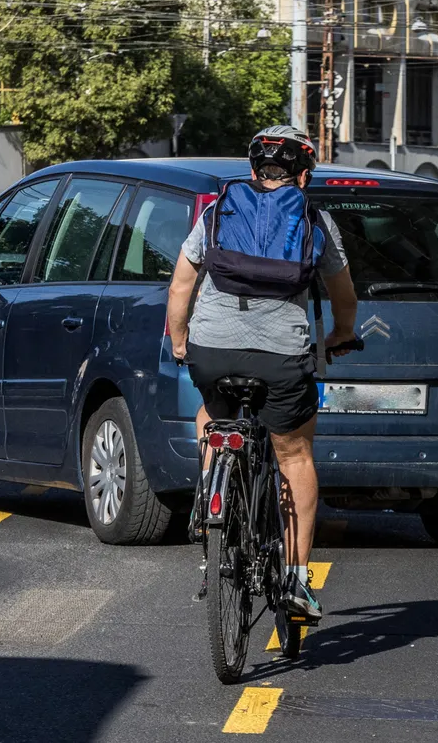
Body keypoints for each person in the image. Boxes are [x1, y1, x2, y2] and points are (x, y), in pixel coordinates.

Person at [166, 125, 359, 621]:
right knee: (293, 454)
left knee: (212, 414)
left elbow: (181, 287)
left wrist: (183, 342)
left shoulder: (215, 212)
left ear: (253, 171)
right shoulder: (316, 221)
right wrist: (341, 332)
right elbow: (344, 294)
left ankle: (212, 508)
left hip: (213, 349)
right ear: (305, 174)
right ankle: (295, 582)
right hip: (281, 357)